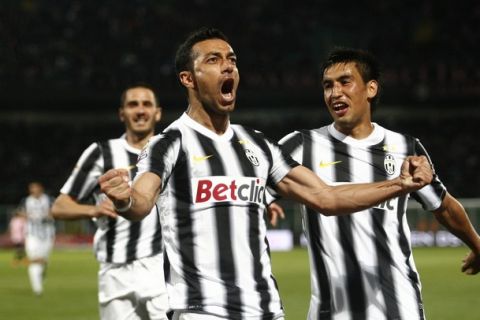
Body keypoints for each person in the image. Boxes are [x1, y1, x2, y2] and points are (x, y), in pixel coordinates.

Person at [98, 28, 433, 320]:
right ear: (188, 78)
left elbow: (326, 197)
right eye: (214, 60)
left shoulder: (257, 145)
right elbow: (141, 201)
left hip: (267, 310)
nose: (228, 65)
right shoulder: (169, 143)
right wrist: (125, 199)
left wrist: (398, 184)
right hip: (203, 310)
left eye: (232, 59)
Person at [269, 48, 480, 319]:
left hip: (399, 308)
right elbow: (251, 191)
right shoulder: (299, 146)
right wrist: (262, 203)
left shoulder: (406, 148)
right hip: (332, 312)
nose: (335, 93)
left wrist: (476, 245)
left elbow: (444, 206)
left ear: (371, 88)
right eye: (327, 86)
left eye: (345, 82)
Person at [51, 85, 169, 320]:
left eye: (146, 104)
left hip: (162, 267)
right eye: (132, 104)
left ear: (157, 113)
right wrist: (93, 209)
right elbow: (59, 206)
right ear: (122, 113)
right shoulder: (101, 153)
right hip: (115, 271)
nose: (140, 110)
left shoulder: (172, 151)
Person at [18, 181, 56, 295]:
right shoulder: (26, 201)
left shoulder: (49, 199)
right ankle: (37, 289)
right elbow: (19, 212)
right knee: (35, 259)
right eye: (31, 189)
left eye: (35, 188)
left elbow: (56, 211)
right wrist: (29, 216)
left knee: (44, 260)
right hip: (32, 235)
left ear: (41, 188)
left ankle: (41, 273)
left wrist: (48, 215)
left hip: (47, 234)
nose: (33, 191)